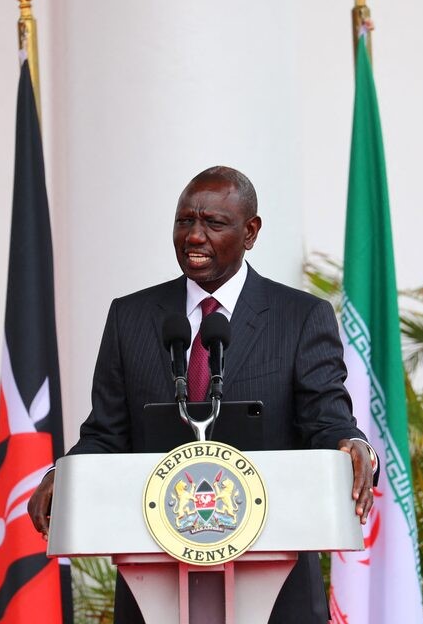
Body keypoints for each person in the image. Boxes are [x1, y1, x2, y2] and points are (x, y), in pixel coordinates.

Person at [29, 165, 376, 622]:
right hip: (153, 578)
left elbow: (326, 420)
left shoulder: (300, 317)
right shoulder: (130, 317)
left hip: (276, 588)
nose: (194, 236)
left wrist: (352, 445)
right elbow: (106, 434)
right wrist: (64, 474)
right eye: (184, 221)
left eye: (213, 223)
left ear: (250, 232)